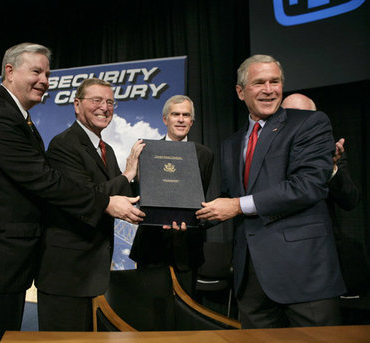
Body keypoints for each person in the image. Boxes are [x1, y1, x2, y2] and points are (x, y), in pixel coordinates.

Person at [0, 44, 144, 342]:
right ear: (10, 71)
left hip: (11, 262)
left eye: (47, 73)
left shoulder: (21, 120)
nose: (44, 80)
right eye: (36, 71)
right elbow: (44, 181)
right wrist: (106, 202)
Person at [196, 55, 346, 328]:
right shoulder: (231, 143)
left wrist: (237, 206)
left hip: (303, 274)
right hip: (251, 280)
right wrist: (192, 217)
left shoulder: (309, 123)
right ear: (241, 92)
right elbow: (230, 202)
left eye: (274, 82)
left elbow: (308, 186)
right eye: (259, 83)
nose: (269, 89)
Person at [35, 78, 144, 331]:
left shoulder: (107, 150)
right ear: (76, 105)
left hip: (92, 272)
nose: (104, 107)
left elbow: (121, 195)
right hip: (66, 274)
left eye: (110, 102)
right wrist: (127, 175)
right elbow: (87, 197)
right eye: (96, 100)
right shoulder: (64, 145)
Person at [129, 95, 214, 297]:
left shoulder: (204, 154)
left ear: (192, 122)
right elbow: (136, 194)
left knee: (184, 314)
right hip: (151, 245)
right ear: (165, 119)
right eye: (176, 114)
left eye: (186, 115)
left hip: (187, 246)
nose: (181, 119)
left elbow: (201, 195)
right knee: (148, 311)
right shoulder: (145, 150)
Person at [282, 93, 365, 297]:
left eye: (305, 117)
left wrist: (332, 167)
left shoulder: (329, 152)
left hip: (321, 254)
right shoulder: (267, 151)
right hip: (279, 253)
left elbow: (350, 200)